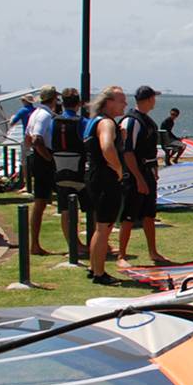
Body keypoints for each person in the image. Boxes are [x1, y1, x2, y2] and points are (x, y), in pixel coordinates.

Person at [116, 85, 171, 269]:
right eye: (153, 98)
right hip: (134, 174)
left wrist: (153, 170)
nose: (155, 101)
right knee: (129, 215)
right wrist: (138, 178)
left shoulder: (147, 121)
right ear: (148, 99)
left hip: (147, 171)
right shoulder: (132, 121)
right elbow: (128, 152)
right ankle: (121, 254)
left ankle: (153, 251)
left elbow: (150, 150)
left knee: (149, 214)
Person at [84, 86, 127, 284]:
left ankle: (94, 268)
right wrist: (118, 168)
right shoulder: (107, 123)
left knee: (100, 227)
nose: (125, 104)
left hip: (94, 176)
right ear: (109, 102)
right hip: (105, 178)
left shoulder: (94, 121)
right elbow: (107, 147)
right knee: (104, 227)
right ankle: (99, 273)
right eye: (121, 100)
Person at [23, 85, 60, 256]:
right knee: (44, 202)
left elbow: (27, 138)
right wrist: (49, 159)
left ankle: (35, 243)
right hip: (44, 159)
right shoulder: (44, 115)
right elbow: (37, 139)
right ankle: (35, 245)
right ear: (53, 99)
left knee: (40, 202)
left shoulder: (34, 114)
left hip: (36, 158)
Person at [53, 88, 90, 257]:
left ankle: (72, 244)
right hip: (78, 170)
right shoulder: (81, 122)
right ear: (79, 104)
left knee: (65, 209)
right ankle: (86, 243)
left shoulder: (54, 121)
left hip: (59, 167)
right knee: (90, 208)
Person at [8, 93, 36, 190]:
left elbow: (12, 122)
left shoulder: (23, 111)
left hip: (27, 138)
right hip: (36, 138)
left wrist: (12, 117)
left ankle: (26, 184)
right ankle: (34, 182)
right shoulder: (36, 111)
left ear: (25, 101)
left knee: (24, 161)